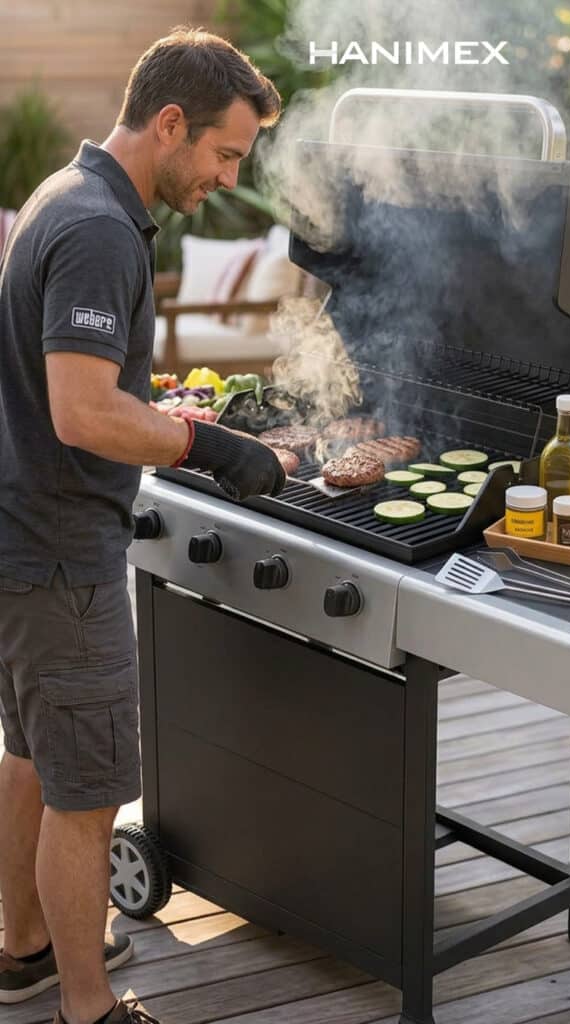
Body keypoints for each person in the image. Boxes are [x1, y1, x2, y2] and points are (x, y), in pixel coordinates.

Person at [0, 27, 285, 1023]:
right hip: (64, 556)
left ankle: (27, 949)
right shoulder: (100, 231)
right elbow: (82, 413)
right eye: (223, 153)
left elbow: (76, 387)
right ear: (171, 124)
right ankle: (91, 1009)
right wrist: (212, 447)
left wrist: (160, 410)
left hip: (23, 541)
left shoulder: (65, 195)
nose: (224, 176)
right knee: (87, 798)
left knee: (35, 755)